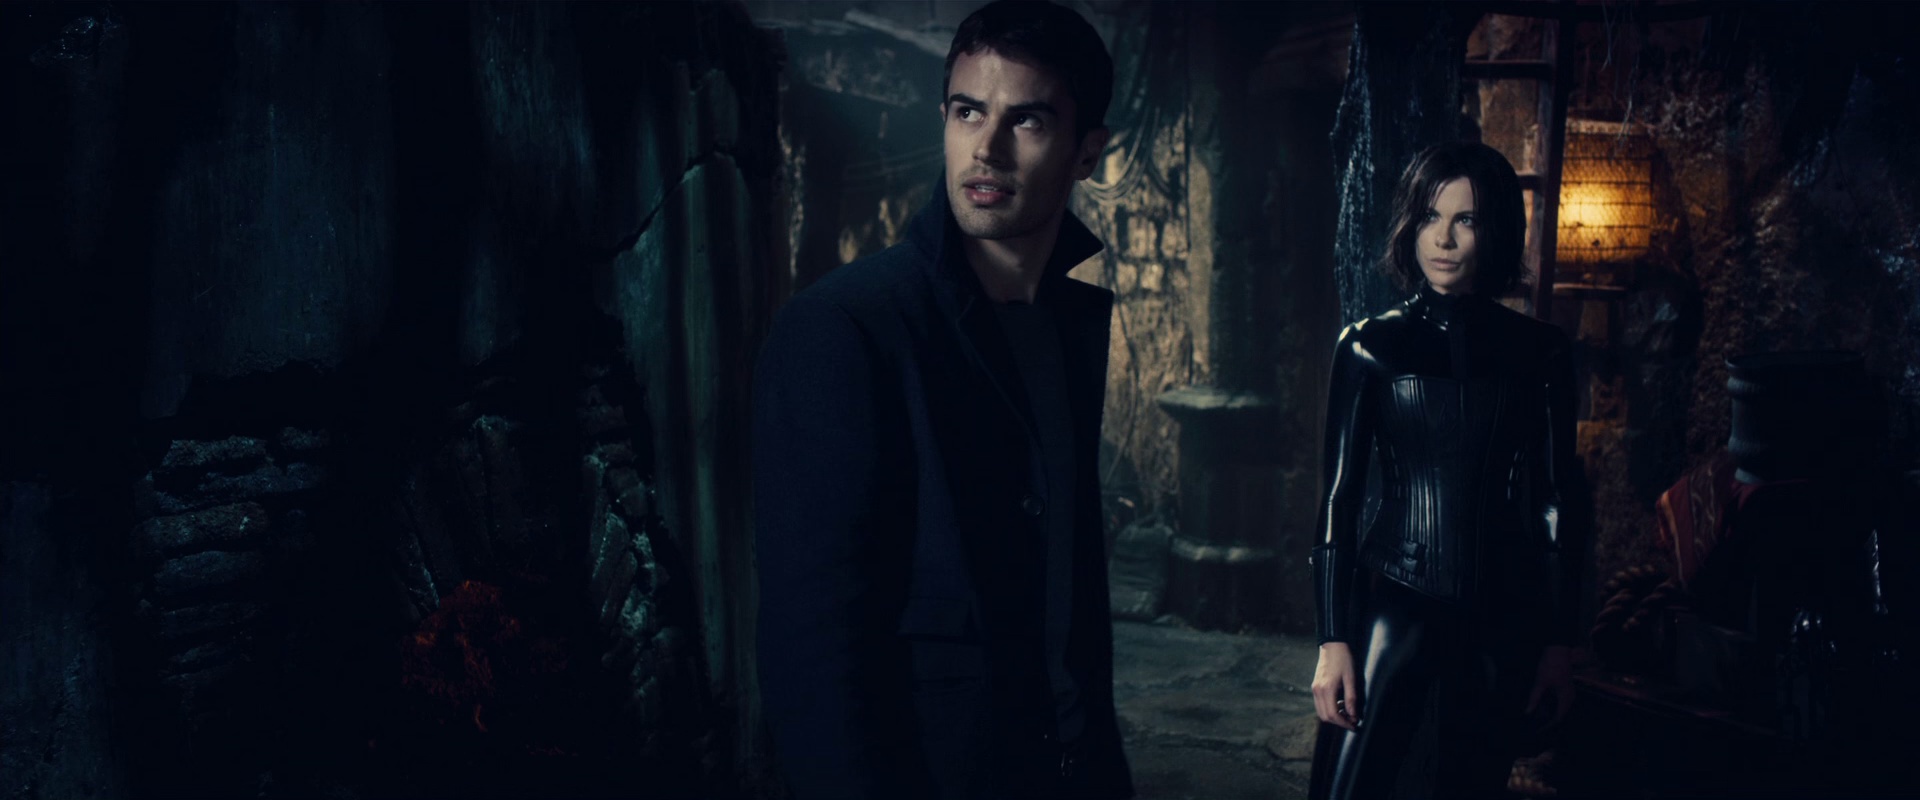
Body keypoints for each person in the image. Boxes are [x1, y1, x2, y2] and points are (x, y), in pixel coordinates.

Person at [751, 2, 1132, 798]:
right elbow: (812, 649)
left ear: (1087, 152)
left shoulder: (1068, 326)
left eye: (1026, 120)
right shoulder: (846, 328)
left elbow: (1066, 595)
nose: (986, 149)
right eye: (968, 112)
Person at [1307, 141, 1584, 799]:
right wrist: (1333, 639)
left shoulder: (1541, 353)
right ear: (1412, 223)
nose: (1445, 239)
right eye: (1432, 216)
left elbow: (1556, 502)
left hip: (1502, 614)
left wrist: (1559, 643)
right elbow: (1340, 499)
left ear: (1495, 232)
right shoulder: (1368, 345)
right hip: (1393, 605)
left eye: (1467, 220)